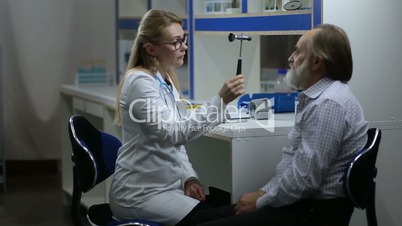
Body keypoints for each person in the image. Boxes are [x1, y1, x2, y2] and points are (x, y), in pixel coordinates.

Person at [191, 24, 368, 226]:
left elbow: (304, 179)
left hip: (314, 212)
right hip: (299, 202)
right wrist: (264, 193)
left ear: (316, 61)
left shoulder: (328, 104)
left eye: (298, 51)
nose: (291, 58)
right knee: (200, 219)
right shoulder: (316, 98)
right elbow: (294, 167)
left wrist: (260, 200)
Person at [109, 9, 245, 226]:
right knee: (219, 218)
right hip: (139, 194)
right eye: (176, 42)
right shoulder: (140, 83)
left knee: (223, 211)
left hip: (164, 187)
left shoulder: (164, 79)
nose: (184, 47)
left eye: (184, 39)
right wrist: (220, 100)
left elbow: (174, 143)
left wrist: (188, 177)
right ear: (151, 49)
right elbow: (174, 133)